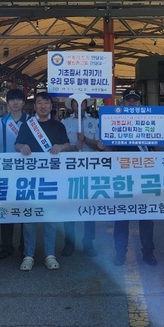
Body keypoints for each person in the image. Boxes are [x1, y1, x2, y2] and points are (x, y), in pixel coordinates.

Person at [14, 92, 75, 271]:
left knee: (50, 217)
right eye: (39, 103)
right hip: (30, 178)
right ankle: (28, 255)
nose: (42, 106)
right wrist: (21, 146)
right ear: (35, 106)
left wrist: (61, 146)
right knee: (29, 218)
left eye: (46, 103)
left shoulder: (58, 126)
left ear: (50, 106)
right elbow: (17, 144)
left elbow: (67, 145)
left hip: (51, 178)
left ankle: (50, 254)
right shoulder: (27, 125)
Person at [97, 88, 157, 267]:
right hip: (122, 176)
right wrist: (104, 148)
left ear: (140, 103)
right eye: (128, 100)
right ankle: (120, 253)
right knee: (122, 217)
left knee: (146, 218)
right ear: (122, 102)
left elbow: (156, 149)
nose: (132, 103)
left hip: (144, 176)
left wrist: (162, 145)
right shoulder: (114, 121)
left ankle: (148, 253)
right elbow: (110, 149)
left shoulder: (151, 120)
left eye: (135, 100)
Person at [62, 97, 100, 257]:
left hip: (90, 170)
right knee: (69, 207)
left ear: (86, 104)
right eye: (75, 102)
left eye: (82, 102)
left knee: (89, 208)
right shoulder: (64, 123)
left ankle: (88, 242)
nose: (79, 105)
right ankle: (69, 242)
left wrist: (86, 140)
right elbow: (60, 146)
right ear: (71, 104)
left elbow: (100, 145)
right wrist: (72, 147)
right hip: (69, 170)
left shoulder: (95, 122)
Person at [0, 88, 29, 259]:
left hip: (26, 172)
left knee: (25, 209)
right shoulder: (0, 123)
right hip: (6, 171)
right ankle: (6, 245)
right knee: (6, 209)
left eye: (19, 99)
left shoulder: (31, 122)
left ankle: (25, 245)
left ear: (23, 102)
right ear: (7, 103)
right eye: (12, 100)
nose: (15, 103)